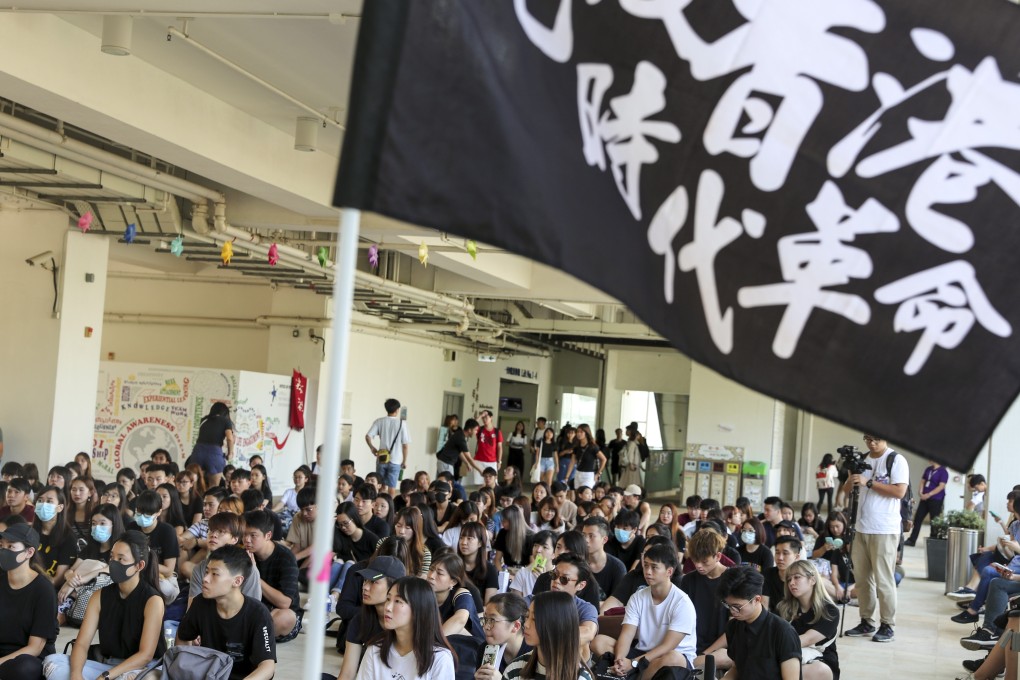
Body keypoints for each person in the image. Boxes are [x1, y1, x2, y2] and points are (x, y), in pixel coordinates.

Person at [44, 531, 166, 680]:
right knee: (52, 664)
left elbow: (145, 656)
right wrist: (76, 675)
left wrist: (105, 677)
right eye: (112, 557)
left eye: (121, 559)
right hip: (109, 664)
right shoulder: (100, 595)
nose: (113, 563)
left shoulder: (152, 600)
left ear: (139, 566)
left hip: (142, 669)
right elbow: (81, 644)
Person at [841, 434, 909, 643]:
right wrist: (852, 477)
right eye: (868, 439)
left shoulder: (895, 459)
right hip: (861, 527)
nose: (872, 443)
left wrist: (868, 482)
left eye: (876, 439)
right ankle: (866, 621)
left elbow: (899, 491)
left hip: (885, 529)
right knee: (862, 580)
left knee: (884, 580)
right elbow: (845, 490)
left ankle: (888, 624)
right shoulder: (861, 460)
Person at [591, 544, 696, 677]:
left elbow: (667, 646)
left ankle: (635, 675)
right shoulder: (638, 597)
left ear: (669, 571)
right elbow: (627, 635)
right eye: (646, 565)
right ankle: (624, 672)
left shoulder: (682, 602)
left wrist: (634, 663)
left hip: (669, 658)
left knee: (673, 657)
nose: (648, 571)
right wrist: (620, 660)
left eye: (654, 567)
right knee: (599, 641)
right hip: (643, 653)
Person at [176, 544, 277, 680]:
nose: (205, 579)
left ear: (237, 581)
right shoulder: (200, 603)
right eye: (206, 572)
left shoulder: (258, 614)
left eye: (215, 574)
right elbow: (183, 638)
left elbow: (267, 666)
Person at [357, 576, 456, 680]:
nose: (388, 607)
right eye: (388, 599)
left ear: (419, 608)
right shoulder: (375, 649)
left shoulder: (440, 658)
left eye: (398, 601)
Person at [718, 566, 801, 680]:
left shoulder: (783, 632)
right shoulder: (733, 627)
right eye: (728, 605)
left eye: (737, 607)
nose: (732, 611)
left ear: (757, 599)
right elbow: (737, 668)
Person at [0, 523, 57, 678]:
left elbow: (35, 648)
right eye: (1, 546)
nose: (3, 551)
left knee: (25, 668)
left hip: (28, 657)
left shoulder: (43, 590)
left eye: (11, 547)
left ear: (29, 552)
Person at [503, 590, 594, 680]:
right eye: (527, 616)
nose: (526, 624)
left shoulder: (580, 677)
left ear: (557, 624)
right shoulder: (515, 670)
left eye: (534, 619)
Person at [243, 510, 301, 643]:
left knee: (284, 617)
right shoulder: (243, 554)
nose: (246, 540)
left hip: (280, 612)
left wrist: (254, 574)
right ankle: (251, 636)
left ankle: (249, 636)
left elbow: (285, 603)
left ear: (268, 535)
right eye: (244, 534)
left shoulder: (286, 557)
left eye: (253, 535)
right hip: (253, 611)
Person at [777, 560, 840, 680]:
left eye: (797, 577)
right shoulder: (784, 607)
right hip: (787, 655)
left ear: (812, 580)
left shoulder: (830, 610)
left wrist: (771, 647)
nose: (791, 583)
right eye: (789, 579)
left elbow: (807, 640)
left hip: (819, 660)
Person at [187, 512, 262, 608]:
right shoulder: (199, 569)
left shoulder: (248, 569)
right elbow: (192, 610)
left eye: (221, 531)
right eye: (210, 530)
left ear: (234, 539)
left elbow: (253, 610)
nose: (213, 535)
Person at [680, 528, 730, 659]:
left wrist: (705, 654)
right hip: (689, 648)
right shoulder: (688, 580)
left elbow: (733, 629)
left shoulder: (733, 580)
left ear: (718, 556)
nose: (698, 566)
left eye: (704, 561)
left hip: (721, 650)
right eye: (695, 560)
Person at [427, 551, 485, 642]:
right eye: (431, 569)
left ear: (453, 582)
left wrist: (431, 644)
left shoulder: (461, 594)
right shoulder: (425, 595)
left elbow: (460, 619)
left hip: (474, 650)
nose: (431, 576)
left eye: (439, 573)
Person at [475, 593, 530, 677]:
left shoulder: (534, 655)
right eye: (485, 619)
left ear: (515, 626)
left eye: (492, 620)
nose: (486, 626)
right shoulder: (486, 650)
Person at [32, 486, 77, 587]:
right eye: (40, 500)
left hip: (48, 589)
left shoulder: (68, 537)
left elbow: (57, 580)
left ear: (60, 508)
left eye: (49, 501)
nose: (43, 504)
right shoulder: (29, 532)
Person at [366, 398, 411, 496]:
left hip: (382, 458)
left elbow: (368, 436)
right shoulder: (402, 424)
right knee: (392, 487)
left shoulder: (379, 421)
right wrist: (404, 461)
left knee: (380, 485)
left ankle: (378, 503)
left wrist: (372, 448)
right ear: (397, 410)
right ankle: (389, 507)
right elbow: (405, 446)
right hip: (395, 460)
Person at [187, 402, 234, 488]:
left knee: (193, 485)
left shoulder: (204, 420)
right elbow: (230, 438)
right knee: (214, 487)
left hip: (198, 451)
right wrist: (230, 453)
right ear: (225, 413)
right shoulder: (226, 421)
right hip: (214, 452)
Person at [904, 460, 949, 546]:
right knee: (918, 518)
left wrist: (929, 494)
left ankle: (933, 540)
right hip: (924, 498)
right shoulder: (929, 469)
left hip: (936, 499)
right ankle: (912, 540)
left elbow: (941, 486)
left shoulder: (943, 471)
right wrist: (921, 492)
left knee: (934, 521)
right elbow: (923, 481)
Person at [581, 517, 626, 600]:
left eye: (591, 536)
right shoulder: (577, 563)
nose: (586, 540)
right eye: (583, 535)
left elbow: (617, 601)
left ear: (604, 540)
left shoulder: (617, 567)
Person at [510, 530, 556, 598]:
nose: (538, 550)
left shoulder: (558, 577)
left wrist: (543, 580)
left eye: (545, 547)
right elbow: (516, 604)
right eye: (535, 545)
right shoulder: (523, 573)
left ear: (554, 554)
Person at [494, 505, 532, 572]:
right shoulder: (502, 533)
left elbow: (533, 563)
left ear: (514, 521)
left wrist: (520, 576)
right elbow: (497, 559)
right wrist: (502, 574)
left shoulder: (531, 536)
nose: (502, 523)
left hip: (525, 572)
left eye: (505, 520)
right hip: (507, 571)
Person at [572, 425, 606, 492]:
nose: (578, 434)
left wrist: (598, 473)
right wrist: (567, 477)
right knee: (578, 494)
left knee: (586, 493)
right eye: (577, 432)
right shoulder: (576, 446)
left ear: (586, 433)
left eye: (581, 432)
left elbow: (604, 459)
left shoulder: (593, 447)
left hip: (589, 474)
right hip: (578, 473)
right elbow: (572, 462)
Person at [475, 411, 504, 484]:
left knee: (492, 483)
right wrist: (480, 415)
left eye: (486, 417)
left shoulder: (497, 431)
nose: (484, 419)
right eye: (483, 418)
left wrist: (499, 461)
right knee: (480, 483)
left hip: (492, 461)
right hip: (479, 460)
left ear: (491, 418)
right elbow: (472, 424)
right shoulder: (480, 429)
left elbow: (500, 447)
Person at [618, 424, 643, 489]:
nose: (626, 431)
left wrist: (631, 463)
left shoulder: (631, 443)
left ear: (631, 432)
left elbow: (630, 454)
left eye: (628, 430)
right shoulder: (632, 442)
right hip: (632, 465)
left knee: (629, 482)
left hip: (631, 466)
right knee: (631, 482)